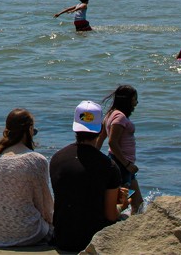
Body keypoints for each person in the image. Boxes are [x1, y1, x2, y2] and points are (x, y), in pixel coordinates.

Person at [49, 100, 126, 252]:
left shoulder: (57, 159)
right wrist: (123, 205)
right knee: (125, 218)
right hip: (93, 240)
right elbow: (111, 216)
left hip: (62, 238)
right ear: (100, 129)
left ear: (75, 128)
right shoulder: (109, 166)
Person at [0, 108, 54, 247]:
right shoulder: (36, 160)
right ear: (29, 130)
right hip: (26, 233)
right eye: (34, 131)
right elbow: (45, 208)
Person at [98, 85, 143, 214]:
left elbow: (100, 139)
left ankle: (134, 228)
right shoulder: (120, 117)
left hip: (123, 164)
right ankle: (115, 228)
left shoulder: (110, 115)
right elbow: (112, 142)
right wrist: (127, 164)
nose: (136, 102)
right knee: (120, 203)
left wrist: (92, 155)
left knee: (138, 203)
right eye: (134, 99)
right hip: (122, 165)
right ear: (127, 100)